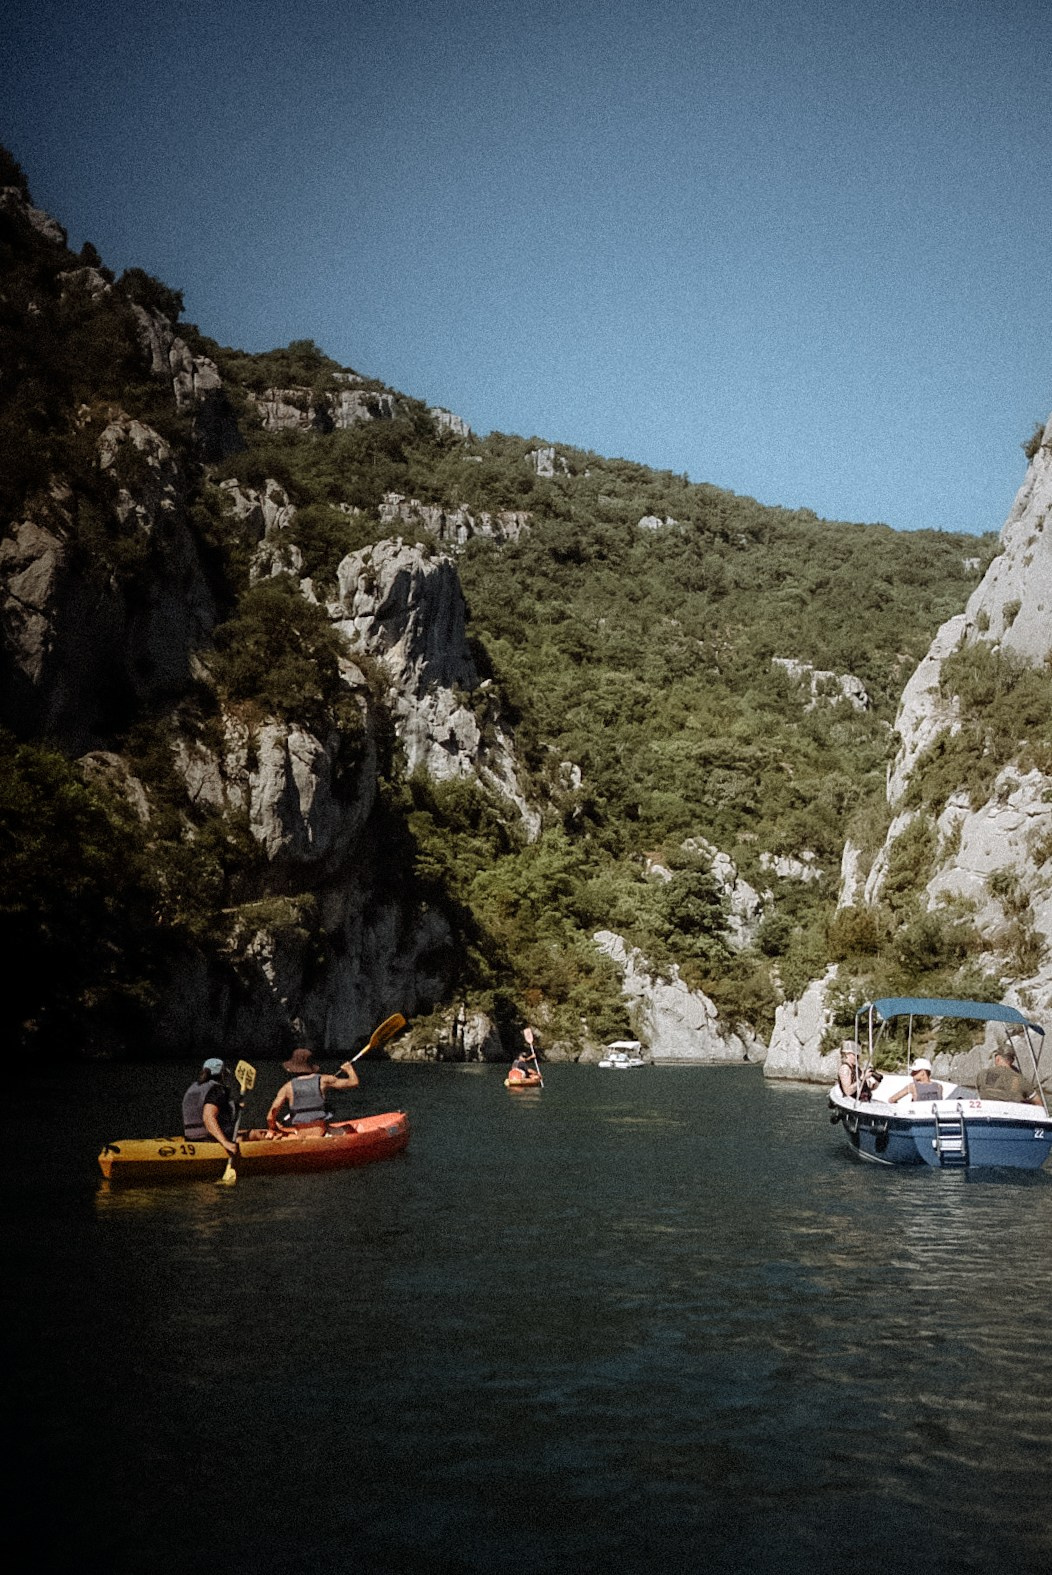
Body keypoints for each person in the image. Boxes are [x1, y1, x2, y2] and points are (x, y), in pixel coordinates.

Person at [267, 1047, 360, 1131]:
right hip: (322, 1133)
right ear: (311, 1065)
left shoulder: (286, 1088)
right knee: (349, 1128)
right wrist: (349, 1069)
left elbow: (270, 1117)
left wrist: (275, 1128)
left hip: (300, 1135)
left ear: (292, 1067)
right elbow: (354, 1082)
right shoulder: (324, 1080)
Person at [182, 1057, 238, 1156]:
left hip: (190, 1139)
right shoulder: (218, 1090)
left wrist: (237, 1106)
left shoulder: (192, 1088)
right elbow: (208, 1117)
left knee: (248, 1133)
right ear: (222, 1074)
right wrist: (225, 1143)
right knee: (254, 1136)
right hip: (209, 1140)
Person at [976, 1045, 1043, 1107]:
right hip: (1013, 1115)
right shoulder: (1021, 1080)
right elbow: (1038, 1102)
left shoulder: (982, 1074)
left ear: (997, 1058)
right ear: (1012, 1060)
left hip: (987, 1112)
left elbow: (980, 1093)